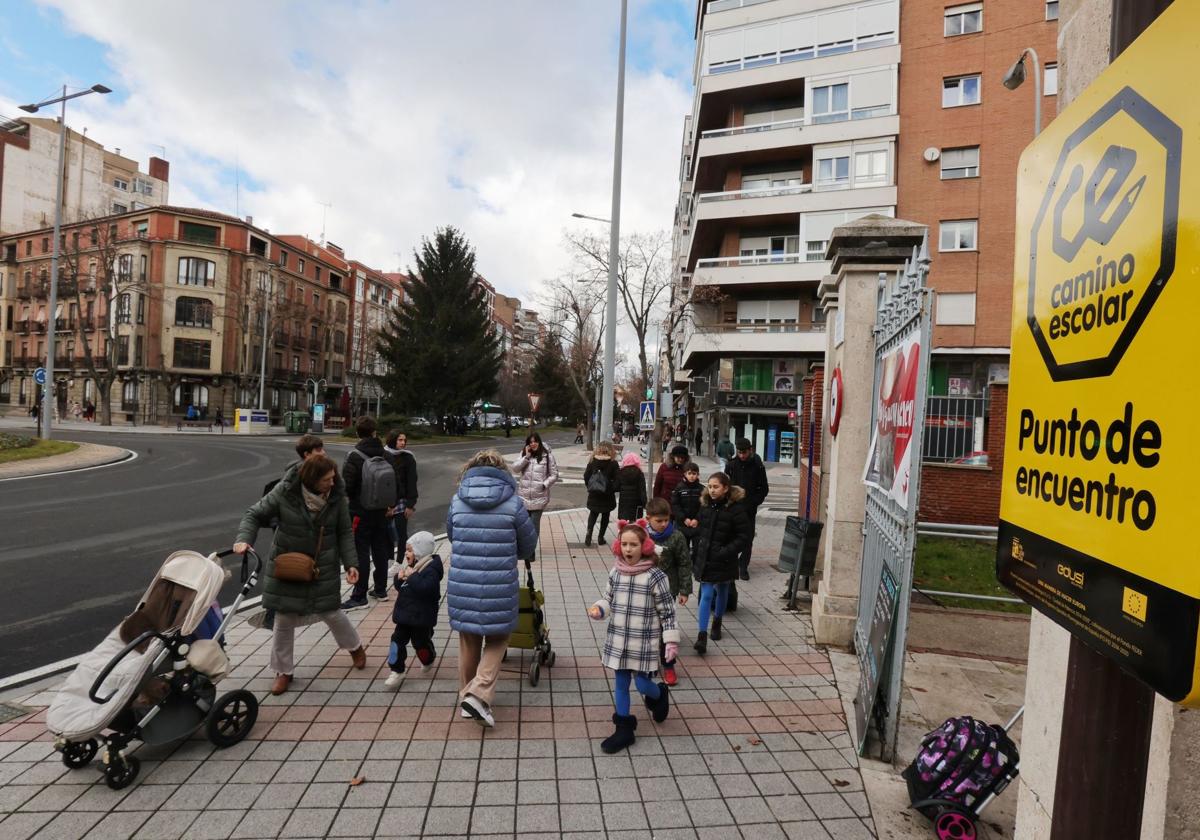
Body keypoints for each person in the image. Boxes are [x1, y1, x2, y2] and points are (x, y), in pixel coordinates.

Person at [234, 454, 366, 695]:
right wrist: (244, 540)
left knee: (331, 612)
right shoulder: (285, 493)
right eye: (327, 480)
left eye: (333, 478)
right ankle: (283, 671)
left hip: (322, 565)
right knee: (284, 619)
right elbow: (253, 514)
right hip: (289, 566)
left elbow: (345, 532)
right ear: (312, 480)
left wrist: (351, 564)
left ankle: (355, 647)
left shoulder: (336, 499)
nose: (332, 483)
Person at [446, 449, 537, 727]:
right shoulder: (514, 503)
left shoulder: (457, 500)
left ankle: (466, 695)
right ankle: (478, 691)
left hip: (463, 582)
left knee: (469, 638)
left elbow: (451, 535)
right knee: (498, 637)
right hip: (499, 582)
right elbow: (528, 546)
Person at [587, 521, 678, 753]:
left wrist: (670, 640)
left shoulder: (655, 576)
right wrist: (600, 609)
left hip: (643, 642)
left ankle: (659, 695)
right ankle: (624, 730)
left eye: (633, 544)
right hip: (618, 638)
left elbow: (667, 611)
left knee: (641, 683)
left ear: (645, 546)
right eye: (624, 544)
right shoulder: (616, 572)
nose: (628, 549)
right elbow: (608, 599)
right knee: (620, 683)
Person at [342, 416, 400, 609]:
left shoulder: (354, 456)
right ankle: (381, 589)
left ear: (358, 433)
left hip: (360, 511)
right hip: (382, 510)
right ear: (375, 432)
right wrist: (391, 505)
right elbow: (395, 484)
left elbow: (347, 486)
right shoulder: (387, 455)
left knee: (361, 551)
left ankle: (359, 595)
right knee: (380, 549)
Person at [692, 472, 750, 654]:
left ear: (726, 488)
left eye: (716, 486)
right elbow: (701, 527)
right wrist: (697, 543)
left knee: (723, 589)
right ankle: (702, 635)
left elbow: (744, 536)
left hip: (725, 558)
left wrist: (726, 551)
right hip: (707, 557)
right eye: (709, 486)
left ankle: (717, 621)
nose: (712, 490)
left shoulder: (736, 509)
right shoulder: (705, 505)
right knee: (707, 593)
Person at [384, 530, 443, 688]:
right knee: (396, 641)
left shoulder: (431, 570)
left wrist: (412, 576)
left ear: (419, 552)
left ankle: (428, 658)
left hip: (421, 618)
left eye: (409, 550)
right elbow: (401, 587)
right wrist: (399, 578)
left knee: (421, 644)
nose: (406, 553)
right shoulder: (410, 566)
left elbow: (427, 589)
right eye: (406, 550)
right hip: (404, 615)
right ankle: (397, 671)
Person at [645, 498, 692, 687]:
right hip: (645, 590)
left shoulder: (677, 537)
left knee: (667, 628)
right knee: (647, 628)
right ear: (648, 518)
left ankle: (669, 664)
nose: (664, 524)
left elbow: (684, 563)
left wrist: (684, 590)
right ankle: (647, 663)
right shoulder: (642, 536)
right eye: (659, 520)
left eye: (666, 520)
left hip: (667, 590)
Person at [725, 437, 769, 582]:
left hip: (749, 509)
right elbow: (725, 485)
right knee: (730, 536)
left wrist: (754, 502)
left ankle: (743, 566)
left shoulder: (757, 466)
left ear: (750, 450)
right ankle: (730, 562)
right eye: (739, 452)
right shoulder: (731, 465)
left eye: (744, 452)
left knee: (748, 538)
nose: (742, 456)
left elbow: (763, 489)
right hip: (733, 508)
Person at [512, 431, 559, 562]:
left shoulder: (547, 455)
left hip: (540, 497)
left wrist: (544, 485)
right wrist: (526, 457)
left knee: (533, 526)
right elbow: (515, 468)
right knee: (524, 526)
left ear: (539, 441)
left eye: (535, 441)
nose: (533, 444)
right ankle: (525, 549)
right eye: (530, 442)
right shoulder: (524, 454)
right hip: (524, 497)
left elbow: (554, 474)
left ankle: (531, 551)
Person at [383, 429, 420, 565]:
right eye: (400, 440)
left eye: (404, 440)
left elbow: (412, 481)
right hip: (386, 502)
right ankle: (389, 560)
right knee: (386, 533)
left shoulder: (408, 457)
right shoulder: (383, 455)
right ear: (393, 440)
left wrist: (410, 504)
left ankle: (399, 562)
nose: (403, 443)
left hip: (402, 501)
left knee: (401, 533)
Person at [583, 440, 620, 547]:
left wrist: (590, 487)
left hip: (594, 493)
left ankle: (589, 533)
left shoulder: (592, 461)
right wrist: (611, 489)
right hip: (607, 495)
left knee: (593, 514)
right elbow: (618, 479)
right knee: (605, 515)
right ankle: (600, 537)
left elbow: (586, 476)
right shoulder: (613, 463)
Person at [670, 462, 704, 567]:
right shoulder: (679, 488)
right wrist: (684, 518)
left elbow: (704, 506)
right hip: (683, 524)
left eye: (694, 473)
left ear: (698, 475)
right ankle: (684, 565)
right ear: (685, 474)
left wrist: (697, 519)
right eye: (689, 473)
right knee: (683, 547)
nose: (692, 476)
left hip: (697, 524)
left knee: (698, 547)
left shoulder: (702, 489)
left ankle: (695, 566)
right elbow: (675, 505)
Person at [616, 452, 647, 522]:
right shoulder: (639, 473)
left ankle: (624, 531)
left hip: (624, 502)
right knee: (634, 521)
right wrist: (644, 503)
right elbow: (642, 490)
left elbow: (616, 487)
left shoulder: (621, 472)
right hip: (636, 502)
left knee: (624, 520)